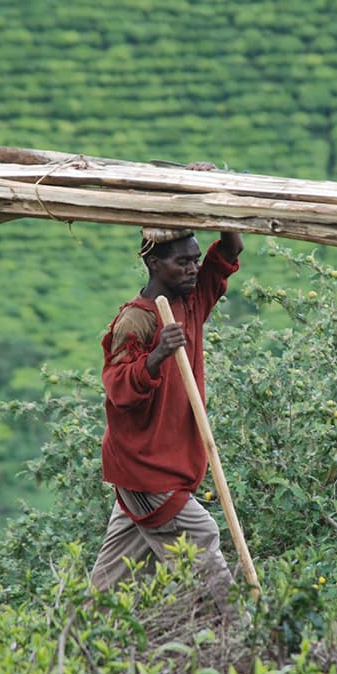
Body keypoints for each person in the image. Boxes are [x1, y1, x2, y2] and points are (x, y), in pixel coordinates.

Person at [90, 226, 244, 613]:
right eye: (183, 262)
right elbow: (118, 389)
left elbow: (230, 250)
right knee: (202, 535)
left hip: (168, 467)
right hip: (145, 466)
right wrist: (157, 354)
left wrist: (213, 201)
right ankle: (242, 636)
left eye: (195, 260)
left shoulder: (191, 300)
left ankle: (80, 637)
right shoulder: (136, 321)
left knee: (114, 577)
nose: (194, 268)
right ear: (154, 263)